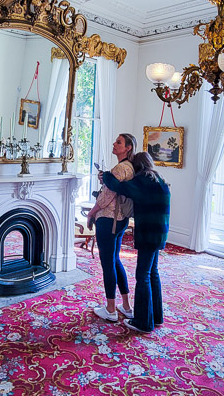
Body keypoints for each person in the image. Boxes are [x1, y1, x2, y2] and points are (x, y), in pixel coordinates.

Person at [102, 152, 170, 333]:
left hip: (148, 232)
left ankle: (142, 322)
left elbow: (117, 186)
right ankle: (156, 316)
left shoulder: (142, 182)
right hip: (160, 233)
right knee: (153, 273)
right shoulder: (160, 181)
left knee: (143, 276)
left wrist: (106, 175)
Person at [86, 133, 137, 322]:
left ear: (128, 147)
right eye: (115, 141)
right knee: (115, 260)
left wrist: (91, 213)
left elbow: (106, 197)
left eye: (119, 142)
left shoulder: (120, 168)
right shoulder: (128, 167)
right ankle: (126, 305)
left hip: (109, 220)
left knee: (108, 263)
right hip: (121, 220)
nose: (114, 144)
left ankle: (110, 309)